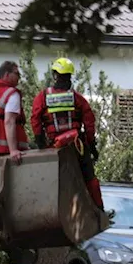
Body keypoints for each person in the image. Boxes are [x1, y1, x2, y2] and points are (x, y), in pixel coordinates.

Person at [31, 57, 103, 208]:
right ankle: (99, 210)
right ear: (70, 76)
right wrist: (92, 146)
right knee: (90, 179)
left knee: (49, 182)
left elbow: (35, 120)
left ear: (55, 75)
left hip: (53, 149)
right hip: (77, 147)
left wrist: (40, 143)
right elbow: (89, 122)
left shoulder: (43, 97)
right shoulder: (77, 98)